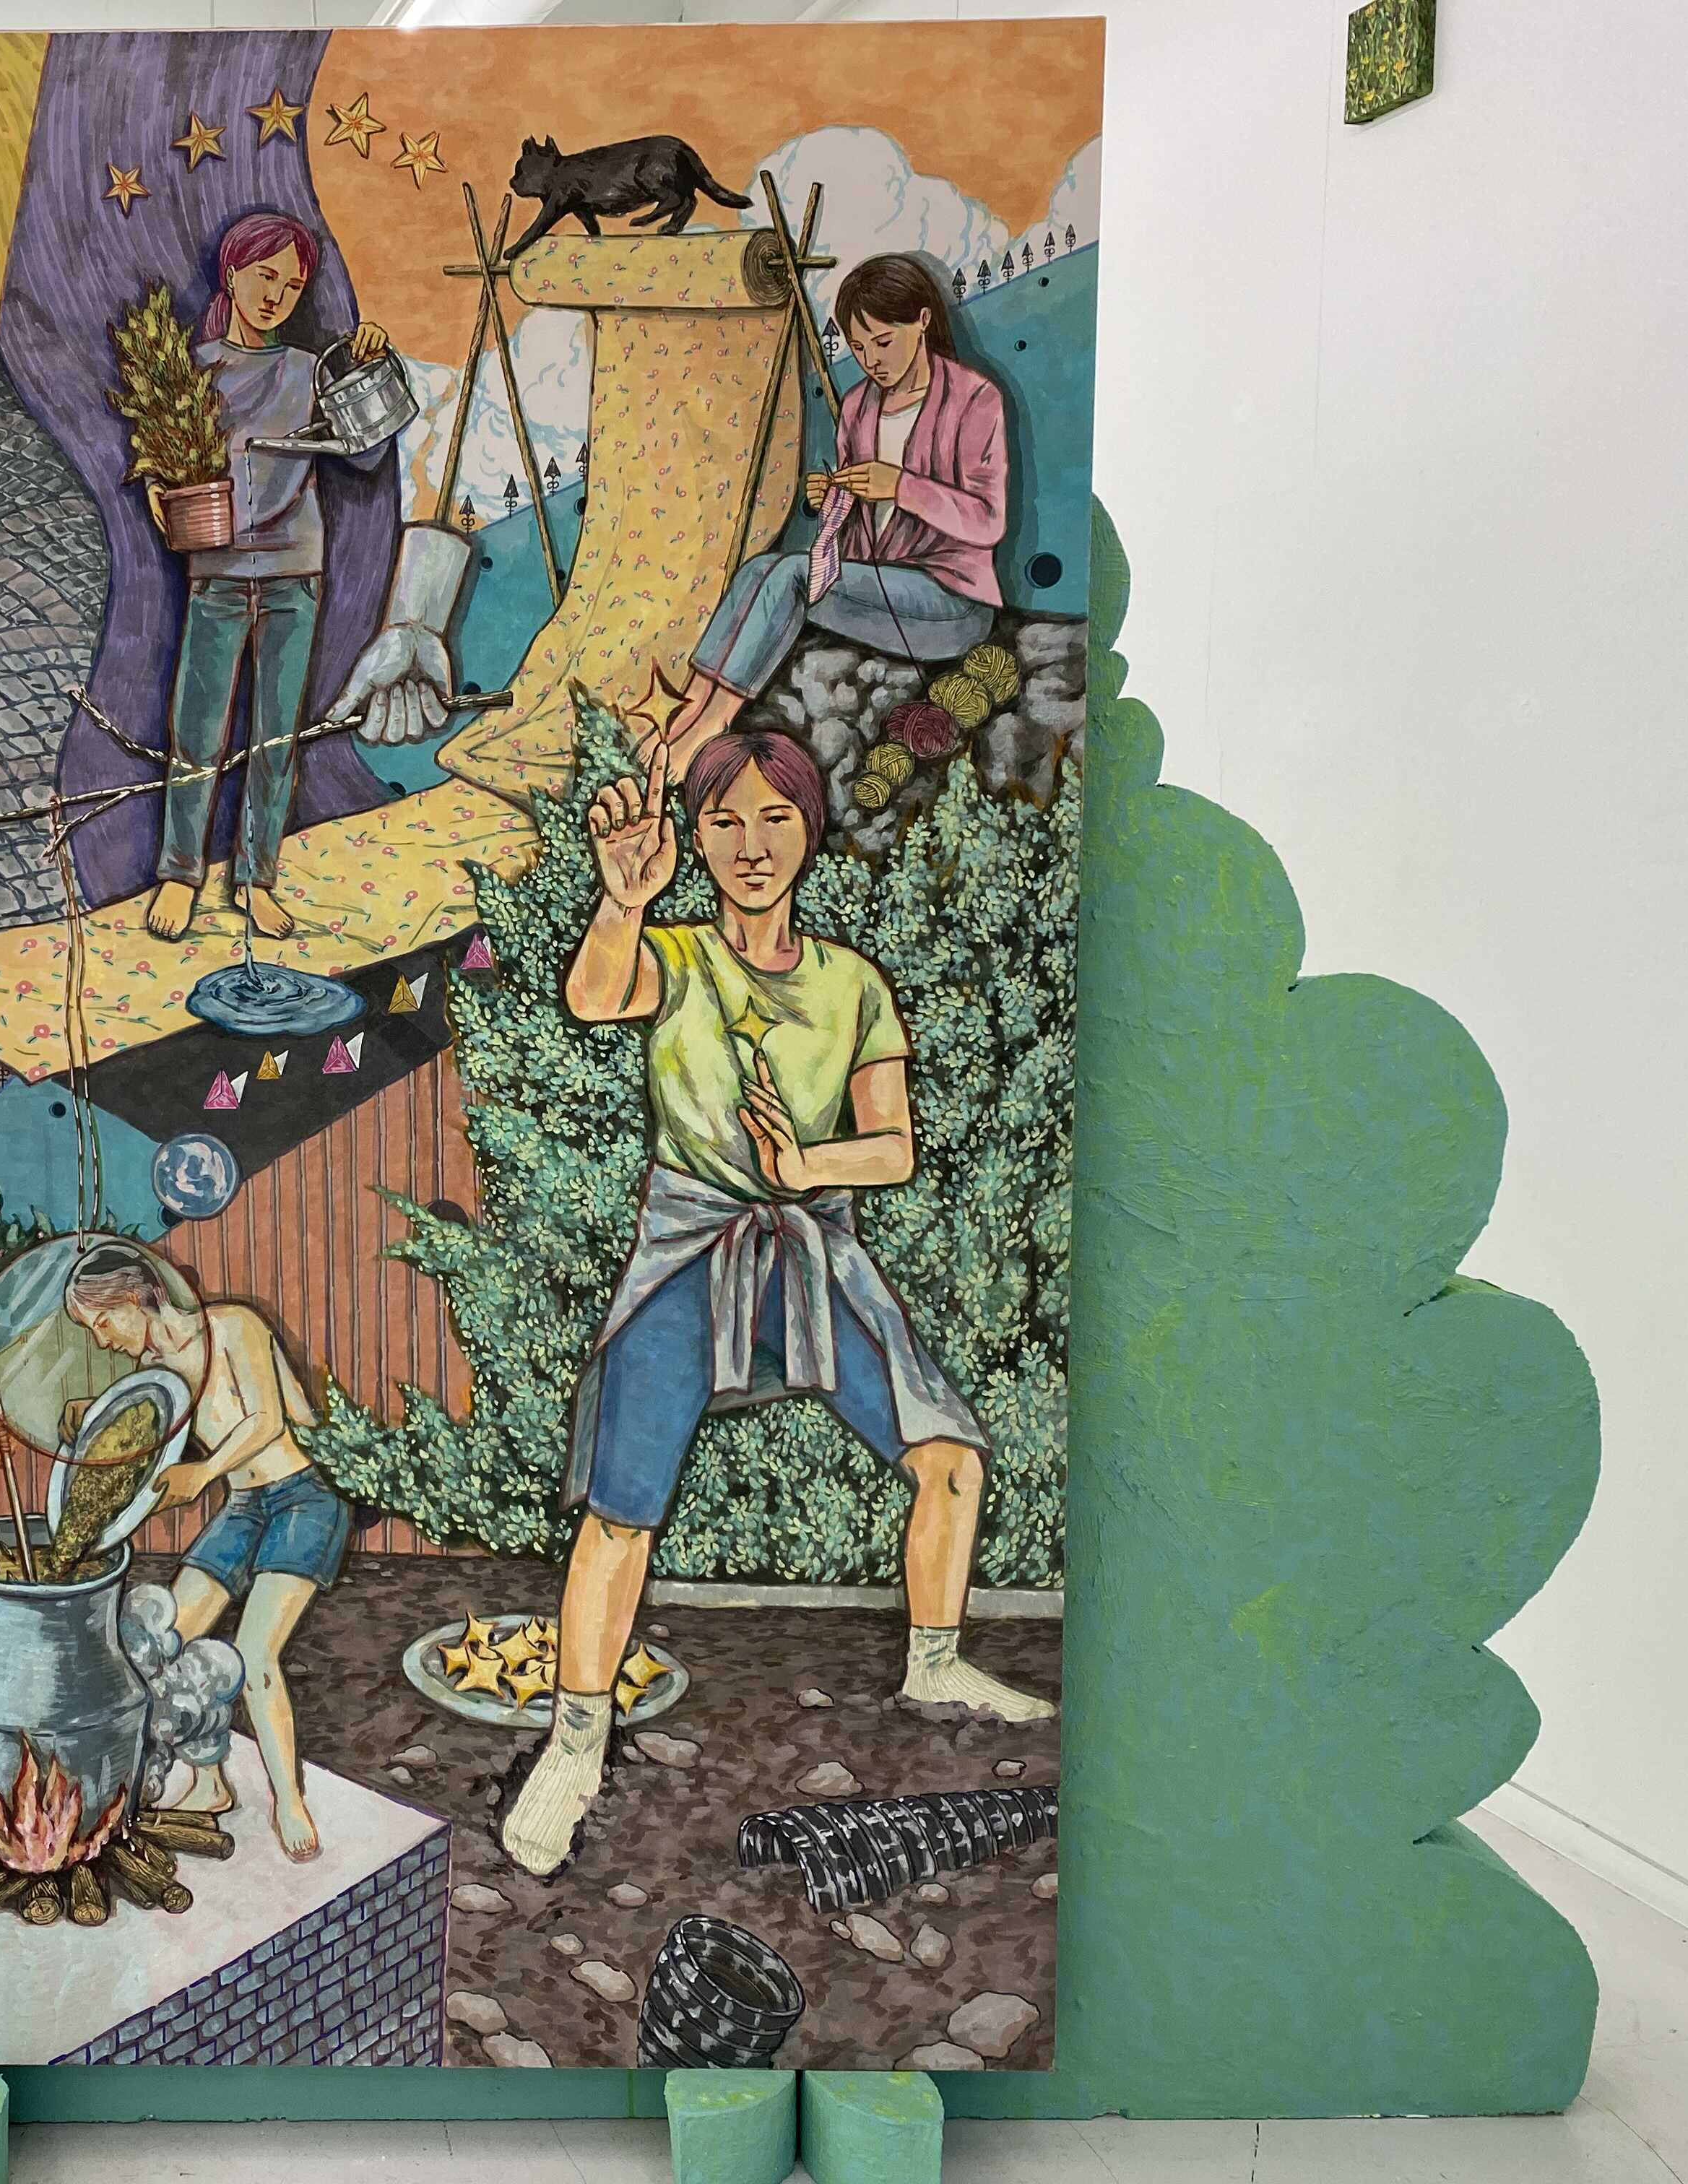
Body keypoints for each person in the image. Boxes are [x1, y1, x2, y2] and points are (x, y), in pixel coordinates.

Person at [500, 731, 1053, 1878]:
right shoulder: (676, 955)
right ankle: (576, 1744)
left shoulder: (854, 985)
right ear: (696, 840)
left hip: (808, 1243)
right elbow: (594, 997)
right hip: (692, 1245)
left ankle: (936, 1661)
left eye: (775, 819)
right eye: (725, 822)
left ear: (810, 830)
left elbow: (894, 1147)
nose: (751, 846)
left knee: (950, 1458)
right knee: (620, 1510)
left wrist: (807, 1167)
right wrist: (622, 900)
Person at [644, 254, 1008, 783]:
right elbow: (854, 543)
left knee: (789, 574)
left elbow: (988, 521)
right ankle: (687, 712)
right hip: (880, 592)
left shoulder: (974, 399)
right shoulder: (859, 405)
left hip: (951, 603)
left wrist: (899, 486)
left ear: (923, 321)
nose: (872, 361)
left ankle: (712, 726)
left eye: (884, 341)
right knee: (761, 568)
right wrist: (836, 498)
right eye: (859, 348)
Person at [142, 211, 394, 945]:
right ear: (232, 273)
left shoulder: (311, 370)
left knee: (275, 735)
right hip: (218, 569)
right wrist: (159, 490)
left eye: (293, 284)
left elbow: (367, 457)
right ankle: (180, 874)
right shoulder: (196, 369)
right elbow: (162, 456)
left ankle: (255, 879)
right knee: (197, 729)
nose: (277, 294)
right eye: (264, 275)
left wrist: (365, 371)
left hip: (293, 572)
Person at [63, 1242, 345, 1860]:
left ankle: (288, 1799)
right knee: (165, 1643)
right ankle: (212, 1780)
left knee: (255, 1652)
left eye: (103, 1323)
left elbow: (267, 1421)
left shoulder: (232, 1326)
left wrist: (204, 1473)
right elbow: (159, 1457)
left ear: (134, 1298)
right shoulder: (157, 1372)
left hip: (304, 1498)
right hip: (244, 1506)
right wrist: (97, 1424)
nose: (103, 1341)